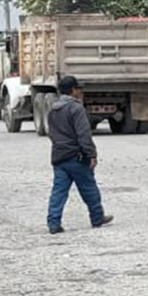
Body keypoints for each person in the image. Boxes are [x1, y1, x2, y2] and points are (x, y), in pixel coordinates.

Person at [46, 75, 113, 234]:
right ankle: (97, 218)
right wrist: (91, 154)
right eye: (77, 88)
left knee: (59, 191)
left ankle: (53, 223)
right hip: (76, 157)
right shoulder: (76, 108)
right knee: (89, 188)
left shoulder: (53, 109)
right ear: (73, 90)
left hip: (59, 156)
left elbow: (51, 133)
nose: (79, 91)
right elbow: (84, 134)